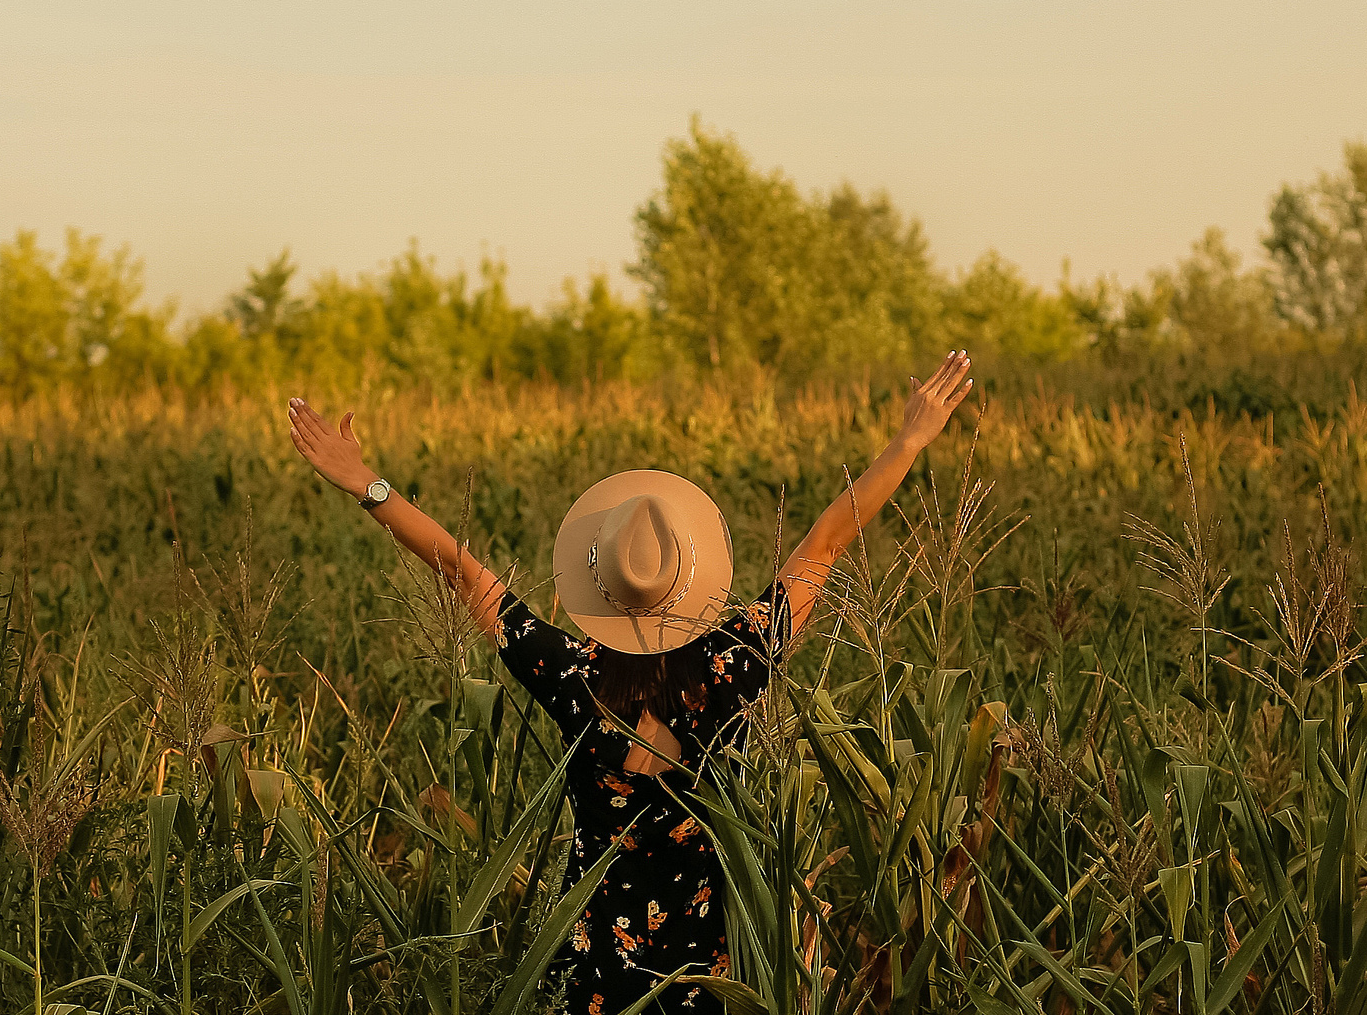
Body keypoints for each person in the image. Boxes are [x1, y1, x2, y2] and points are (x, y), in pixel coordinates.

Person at [285, 351, 976, 1014]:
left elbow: (462, 570)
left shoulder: (571, 674)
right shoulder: (732, 664)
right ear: (689, 577)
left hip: (596, 966)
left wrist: (367, 483)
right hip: (710, 971)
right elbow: (827, 542)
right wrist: (909, 441)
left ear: (602, 587)